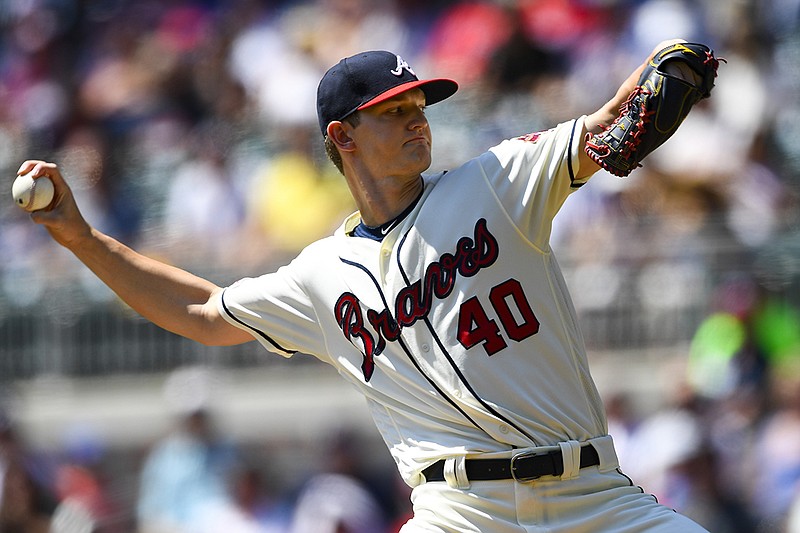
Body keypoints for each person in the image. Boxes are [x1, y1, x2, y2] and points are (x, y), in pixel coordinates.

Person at [18, 40, 714, 532]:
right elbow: (201, 310)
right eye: (393, 111)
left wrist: (662, 74)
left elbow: (606, 127)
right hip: (459, 514)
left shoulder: (497, 183)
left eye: (419, 105)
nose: (417, 120)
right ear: (342, 136)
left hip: (593, 496)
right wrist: (81, 237)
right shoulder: (321, 276)